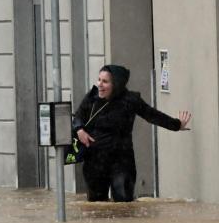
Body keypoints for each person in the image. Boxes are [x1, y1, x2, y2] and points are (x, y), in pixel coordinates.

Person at [72, 64, 191, 202]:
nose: (100, 84)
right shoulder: (92, 98)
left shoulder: (130, 100)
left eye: (105, 81)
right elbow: (78, 116)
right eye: (99, 80)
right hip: (95, 160)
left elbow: (152, 115)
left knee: (124, 204)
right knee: (97, 206)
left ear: (116, 84)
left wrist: (176, 125)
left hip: (122, 160)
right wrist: (80, 130)